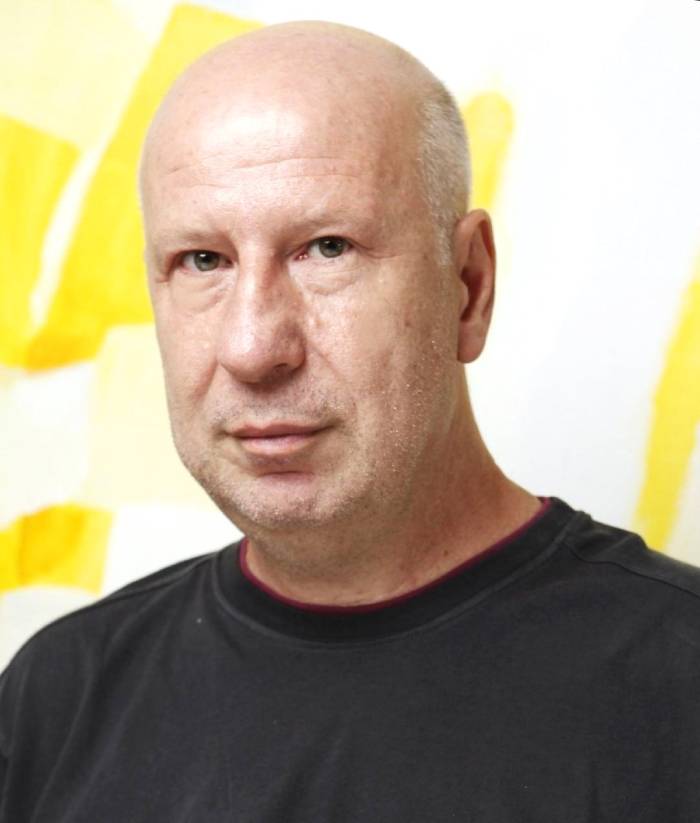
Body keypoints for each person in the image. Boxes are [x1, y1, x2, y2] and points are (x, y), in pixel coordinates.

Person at [1, 20, 699, 822]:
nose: (252, 346)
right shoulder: (54, 702)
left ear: (467, 286)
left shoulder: (678, 687)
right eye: (203, 261)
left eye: (327, 248)